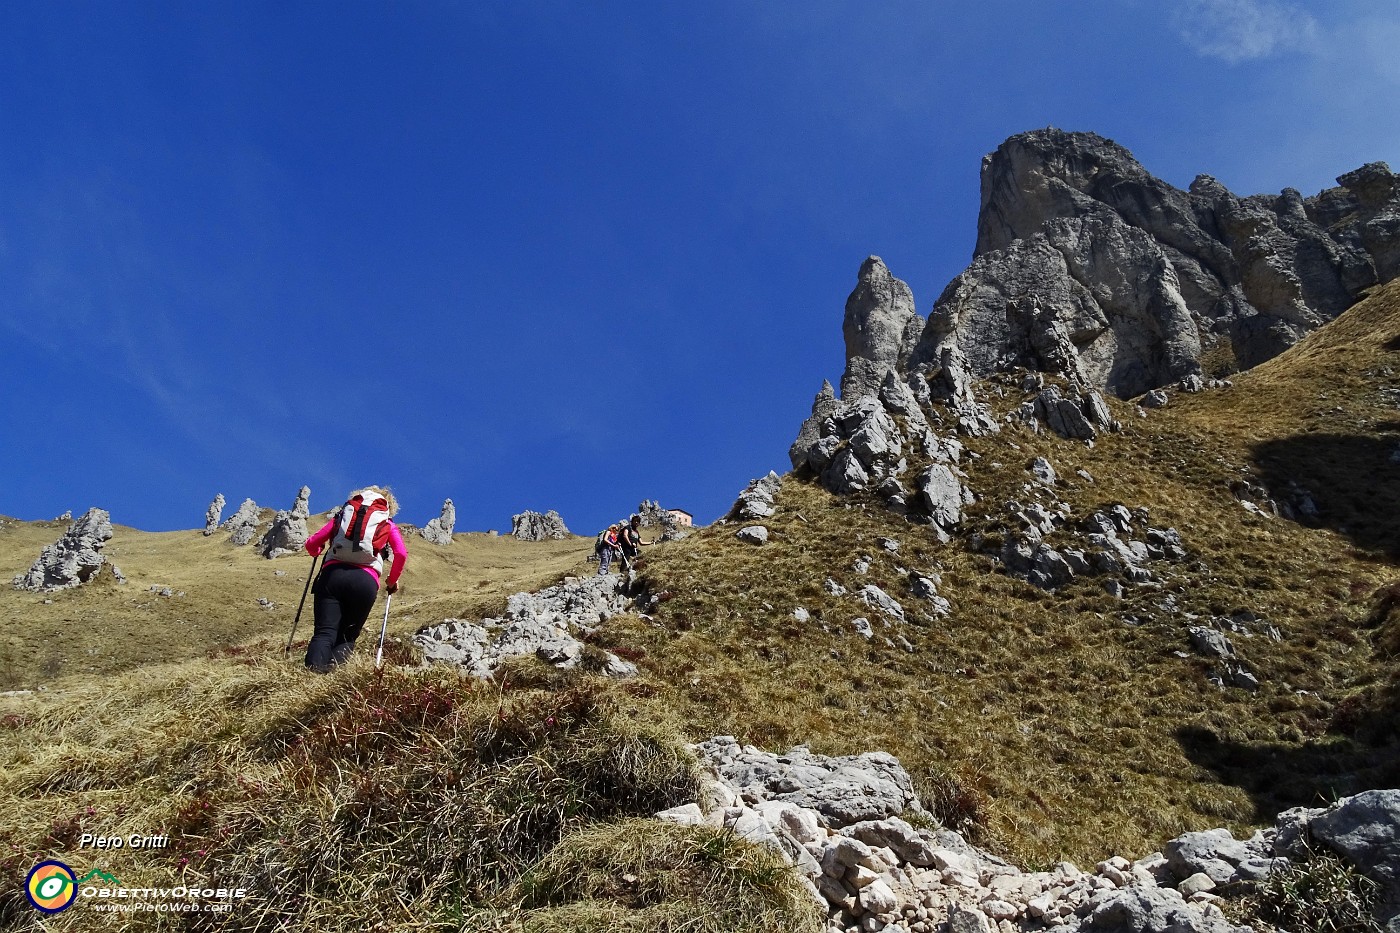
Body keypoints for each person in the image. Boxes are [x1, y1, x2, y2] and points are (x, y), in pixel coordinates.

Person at [302, 486, 407, 673]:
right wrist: (392, 581)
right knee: (347, 637)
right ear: (388, 506)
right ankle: (331, 683)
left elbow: (312, 543)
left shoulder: (343, 516)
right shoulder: (387, 523)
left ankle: (310, 677)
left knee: (324, 632)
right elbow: (401, 553)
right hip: (364, 583)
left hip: (332, 576)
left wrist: (316, 551)